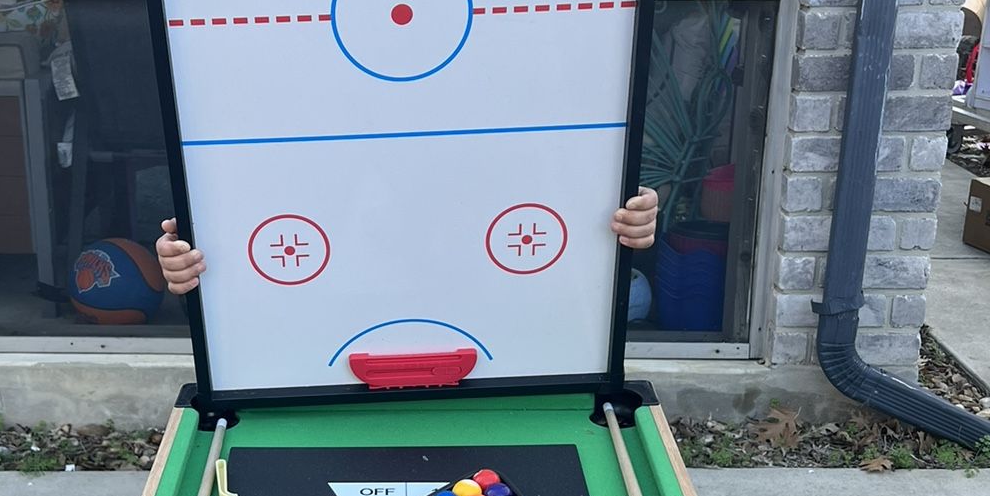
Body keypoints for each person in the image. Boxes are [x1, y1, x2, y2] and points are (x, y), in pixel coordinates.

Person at [154, 189, 660, 296]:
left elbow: (588, 196)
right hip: (309, 384)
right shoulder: (256, 170)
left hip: (514, 377)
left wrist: (631, 212)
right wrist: (185, 262)